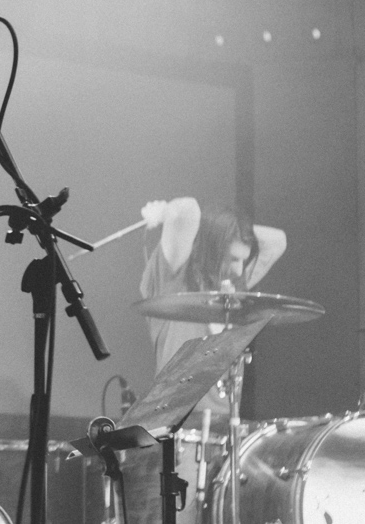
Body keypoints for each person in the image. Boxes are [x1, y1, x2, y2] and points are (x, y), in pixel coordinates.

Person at [122, 196, 287, 524]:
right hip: (174, 432)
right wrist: (173, 214)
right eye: (231, 258)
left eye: (244, 260)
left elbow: (277, 241)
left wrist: (234, 231)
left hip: (226, 431)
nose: (240, 270)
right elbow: (189, 211)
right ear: (208, 250)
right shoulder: (172, 278)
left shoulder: (229, 294)